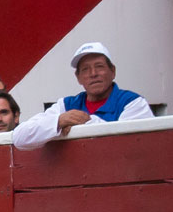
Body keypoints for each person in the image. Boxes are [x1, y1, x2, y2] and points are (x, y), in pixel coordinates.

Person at [13, 42, 155, 149]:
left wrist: (79, 124)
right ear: (78, 77)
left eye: (99, 66)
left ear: (113, 71)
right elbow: (19, 137)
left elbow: (129, 146)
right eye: (86, 69)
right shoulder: (66, 105)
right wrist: (59, 122)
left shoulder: (133, 102)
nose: (93, 74)